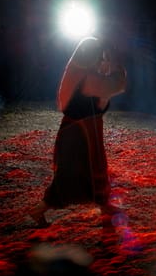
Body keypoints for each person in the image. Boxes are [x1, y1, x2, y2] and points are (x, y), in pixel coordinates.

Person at [29, 36, 127, 227]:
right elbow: (116, 85)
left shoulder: (77, 72)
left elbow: (101, 98)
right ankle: (38, 210)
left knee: (94, 170)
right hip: (79, 135)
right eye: (100, 57)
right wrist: (115, 64)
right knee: (71, 176)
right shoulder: (87, 78)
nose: (101, 61)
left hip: (81, 132)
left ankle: (104, 205)